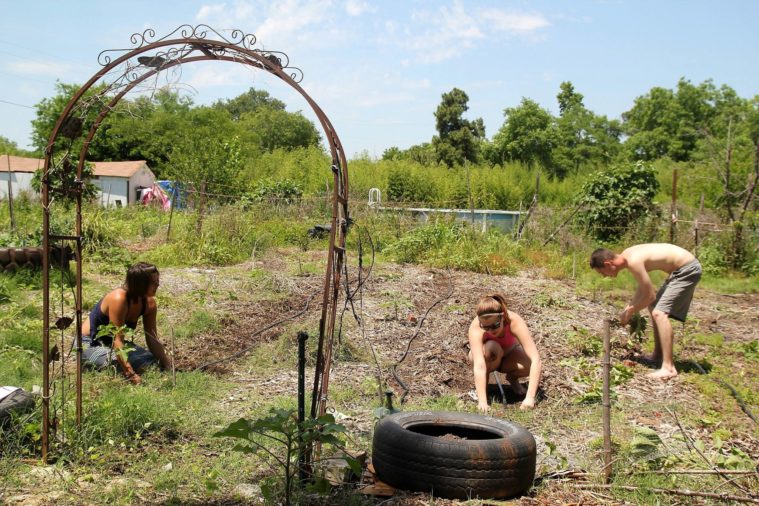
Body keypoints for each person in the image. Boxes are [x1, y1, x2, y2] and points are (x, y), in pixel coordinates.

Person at [590, 243, 702, 380]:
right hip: (680, 270)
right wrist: (629, 308)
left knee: (659, 313)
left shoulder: (633, 260)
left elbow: (649, 295)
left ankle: (669, 368)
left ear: (608, 264)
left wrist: (630, 311)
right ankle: (657, 356)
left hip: (687, 269)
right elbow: (643, 288)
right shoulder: (628, 255)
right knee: (654, 307)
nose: (603, 276)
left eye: (601, 272)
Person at [81, 262, 171, 384]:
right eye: (153, 282)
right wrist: (130, 373)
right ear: (141, 284)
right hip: (90, 343)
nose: (158, 285)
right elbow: (117, 339)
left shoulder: (149, 304)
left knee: (153, 362)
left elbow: (152, 338)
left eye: (158, 280)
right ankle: (89, 364)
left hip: (112, 344)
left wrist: (167, 365)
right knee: (129, 364)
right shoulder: (118, 299)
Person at [467, 293, 542, 412]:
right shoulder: (476, 327)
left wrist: (530, 398)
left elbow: (535, 359)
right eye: (486, 327)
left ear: (502, 317)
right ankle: (483, 391)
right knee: (491, 346)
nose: (490, 331)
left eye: (495, 326)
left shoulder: (514, 321)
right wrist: (482, 402)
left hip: (508, 355)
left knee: (528, 363)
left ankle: (512, 379)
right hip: (487, 357)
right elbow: (479, 365)